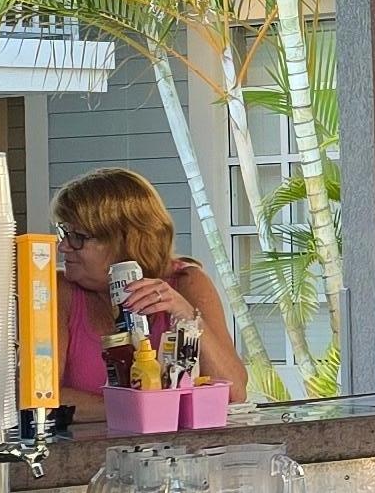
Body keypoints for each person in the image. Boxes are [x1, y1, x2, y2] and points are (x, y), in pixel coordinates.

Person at [53, 165, 246, 412]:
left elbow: (235, 391)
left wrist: (185, 314)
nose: (64, 247)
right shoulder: (61, 291)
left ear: (124, 239)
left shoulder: (186, 282)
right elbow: (40, 399)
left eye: (77, 236)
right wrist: (144, 408)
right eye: (63, 233)